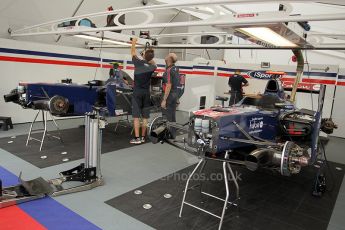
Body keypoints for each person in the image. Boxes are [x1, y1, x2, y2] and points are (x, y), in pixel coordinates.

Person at [130, 38, 157, 144]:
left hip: (137, 93)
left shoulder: (138, 63)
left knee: (136, 117)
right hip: (146, 93)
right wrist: (147, 55)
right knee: (145, 116)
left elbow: (132, 52)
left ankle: (137, 139)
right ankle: (142, 137)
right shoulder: (152, 67)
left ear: (144, 55)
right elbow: (151, 60)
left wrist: (133, 42)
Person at [161, 53, 179, 138]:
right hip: (174, 95)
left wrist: (164, 99)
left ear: (169, 59)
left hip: (169, 96)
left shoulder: (169, 70)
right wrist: (177, 98)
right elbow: (177, 84)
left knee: (166, 115)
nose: (166, 56)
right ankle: (172, 134)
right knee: (172, 115)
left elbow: (168, 85)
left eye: (167, 55)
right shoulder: (176, 69)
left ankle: (167, 134)